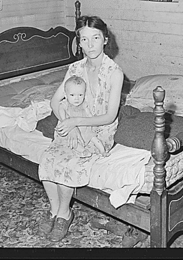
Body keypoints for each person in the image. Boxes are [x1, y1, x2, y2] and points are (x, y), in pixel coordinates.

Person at [37, 15, 124, 242]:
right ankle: (55, 210)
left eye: (95, 38)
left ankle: (65, 213)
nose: (90, 45)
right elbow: (55, 102)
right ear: (79, 42)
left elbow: (109, 116)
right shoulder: (74, 69)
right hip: (72, 126)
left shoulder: (114, 73)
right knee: (47, 159)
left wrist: (76, 123)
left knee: (68, 163)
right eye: (84, 40)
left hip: (98, 131)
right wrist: (70, 124)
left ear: (105, 39)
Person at [54, 75, 105, 158]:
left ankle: (102, 150)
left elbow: (89, 115)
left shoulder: (84, 104)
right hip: (69, 128)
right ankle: (83, 151)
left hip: (84, 127)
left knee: (94, 138)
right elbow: (61, 111)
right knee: (74, 142)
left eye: (80, 95)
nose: (77, 98)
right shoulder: (65, 104)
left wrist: (94, 125)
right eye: (72, 95)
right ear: (66, 95)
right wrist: (65, 122)